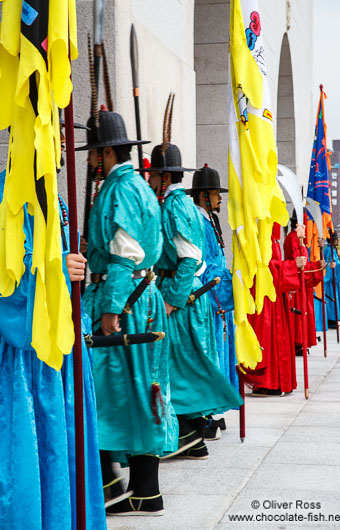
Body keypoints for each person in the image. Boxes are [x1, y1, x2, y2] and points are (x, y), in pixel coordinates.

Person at [81, 109, 178, 517]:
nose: (87, 161)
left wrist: (111, 309)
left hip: (125, 301)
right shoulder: (134, 185)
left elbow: (125, 252)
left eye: (91, 153)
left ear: (105, 153)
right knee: (139, 391)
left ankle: (113, 487)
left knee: (104, 392)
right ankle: (143, 489)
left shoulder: (121, 188)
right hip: (139, 298)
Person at [0, 166, 107, 529]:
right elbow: (7, 280)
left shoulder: (58, 198)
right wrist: (58, 270)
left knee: (61, 451)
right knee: (29, 455)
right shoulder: (7, 194)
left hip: (61, 347)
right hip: (26, 357)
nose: (60, 146)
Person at [145, 102, 242, 460]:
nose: (150, 179)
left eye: (154, 174)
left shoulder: (174, 207)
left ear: (164, 177)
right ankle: (194, 437)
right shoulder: (179, 206)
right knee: (187, 365)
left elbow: (189, 259)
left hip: (184, 302)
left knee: (180, 366)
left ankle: (192, 436)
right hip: (188, 299)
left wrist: (171, 299)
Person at [188, 163, 238, 438]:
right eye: (216, 193)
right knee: (208, 355)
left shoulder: (211, 220)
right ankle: (204, 415)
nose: (220, 198)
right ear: (205, 194)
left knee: (218, 353)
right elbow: (202, 263)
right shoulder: (197, 220)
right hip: (208, 295)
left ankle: (213, 411)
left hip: (218, 293)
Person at [247, 223, 304, 396]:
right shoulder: (258, 233)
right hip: (263, 295)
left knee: (277, 338)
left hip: (274, 295)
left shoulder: (272, 237)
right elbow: (264, 266)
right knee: (267, 338)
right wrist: (292, 266)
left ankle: (279, 381)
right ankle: (266, 383)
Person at [283, 212, 324, 354]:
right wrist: (316, 268)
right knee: (299, 313)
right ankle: (297, 343)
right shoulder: (294, 239)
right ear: (297, 224)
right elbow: (299, 264)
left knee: (303, 312)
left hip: (302, 282)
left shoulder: (298, 239)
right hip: (296, 282)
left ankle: (300, 342)